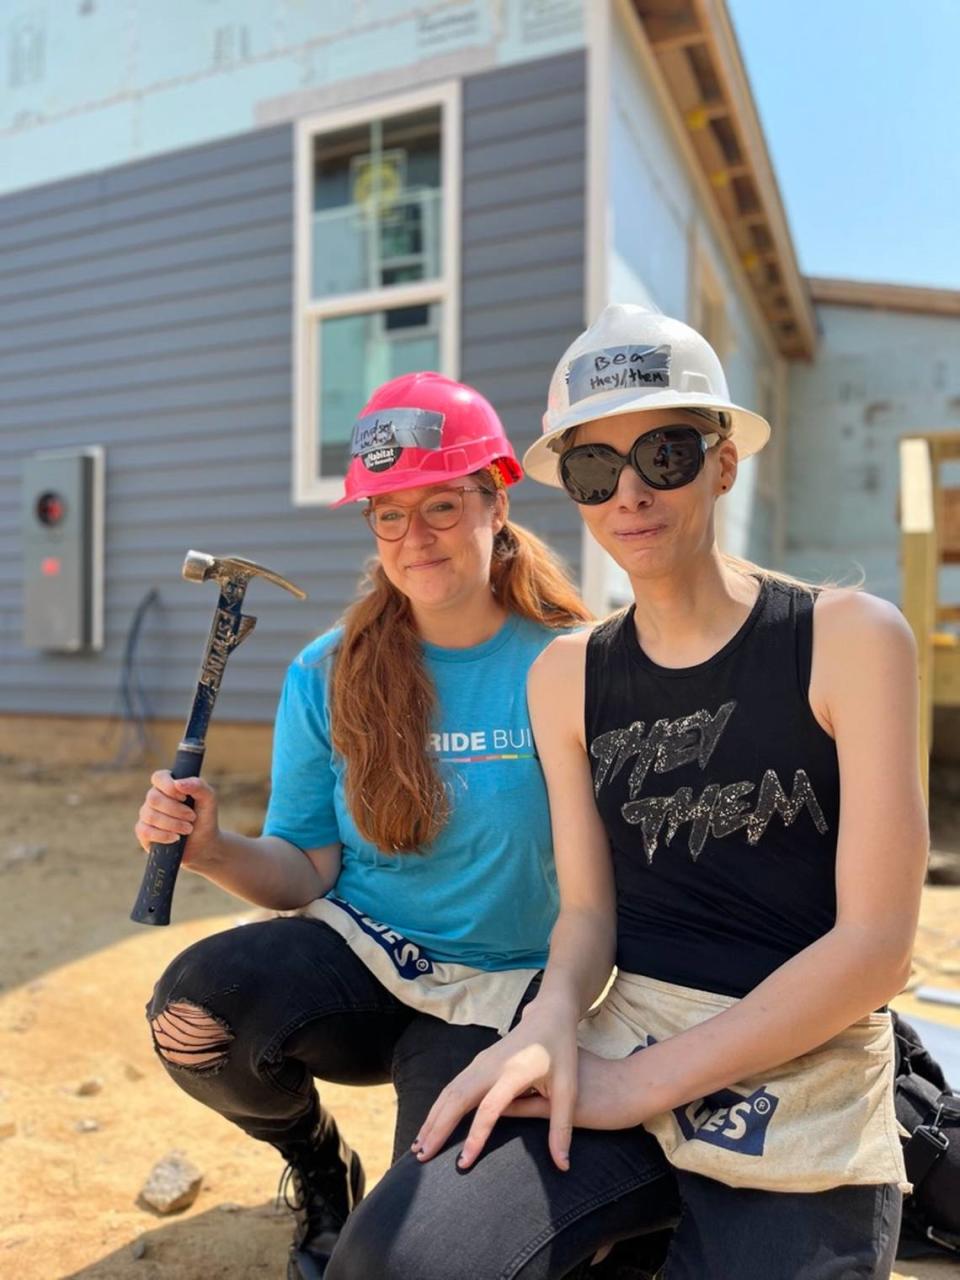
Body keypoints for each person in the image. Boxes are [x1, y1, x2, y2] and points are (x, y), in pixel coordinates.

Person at [326, 305, 929, 1280]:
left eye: (666, 452)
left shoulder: (849, 640)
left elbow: (872, 951)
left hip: (805, 1058)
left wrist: (633, 1085)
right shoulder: (567, 674)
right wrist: (549, 1021)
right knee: (389, 1261)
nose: (631, 492)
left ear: (724, 461)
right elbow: (589, 912)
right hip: (624, 1028)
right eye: (596, 469)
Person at [134, 371, 592, 1279]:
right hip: (369, 962)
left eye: (442, 506)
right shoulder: (330, 670)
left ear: (496, 504)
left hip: (506, 998)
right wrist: (213, 848)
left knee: (406, 1258)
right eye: (387, 514)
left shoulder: (574, 658)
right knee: (192, 1018)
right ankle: (317, 1166)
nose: (414, 538)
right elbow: (306, 864)